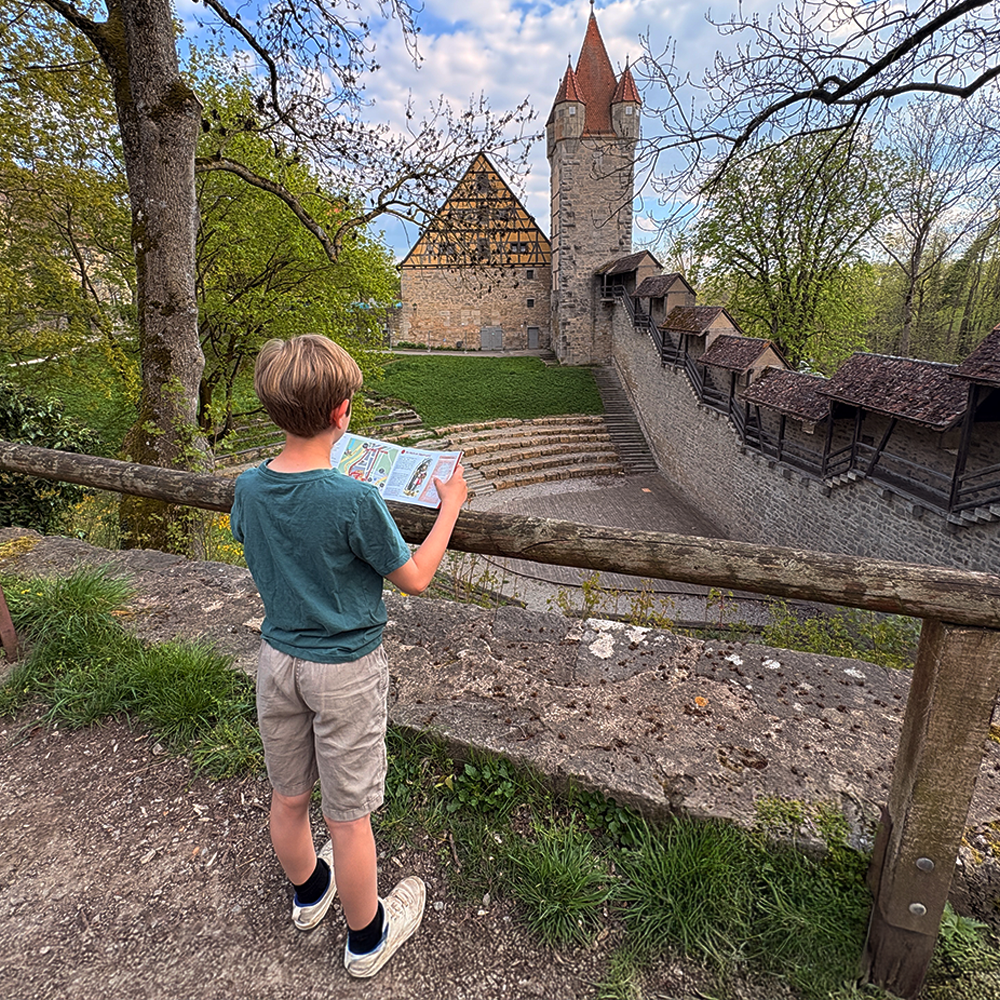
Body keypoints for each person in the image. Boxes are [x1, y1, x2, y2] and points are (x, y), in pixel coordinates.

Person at [230, 334, 467, 977]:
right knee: (350, 817)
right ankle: (367, 938)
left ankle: (311, 895)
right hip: (345, 671)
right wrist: (450, 508)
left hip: (278, 660)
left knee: (288, 798)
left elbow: (268, 536)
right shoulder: (355, 499)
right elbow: (415, 576)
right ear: (341, 413)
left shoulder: (247, 488)